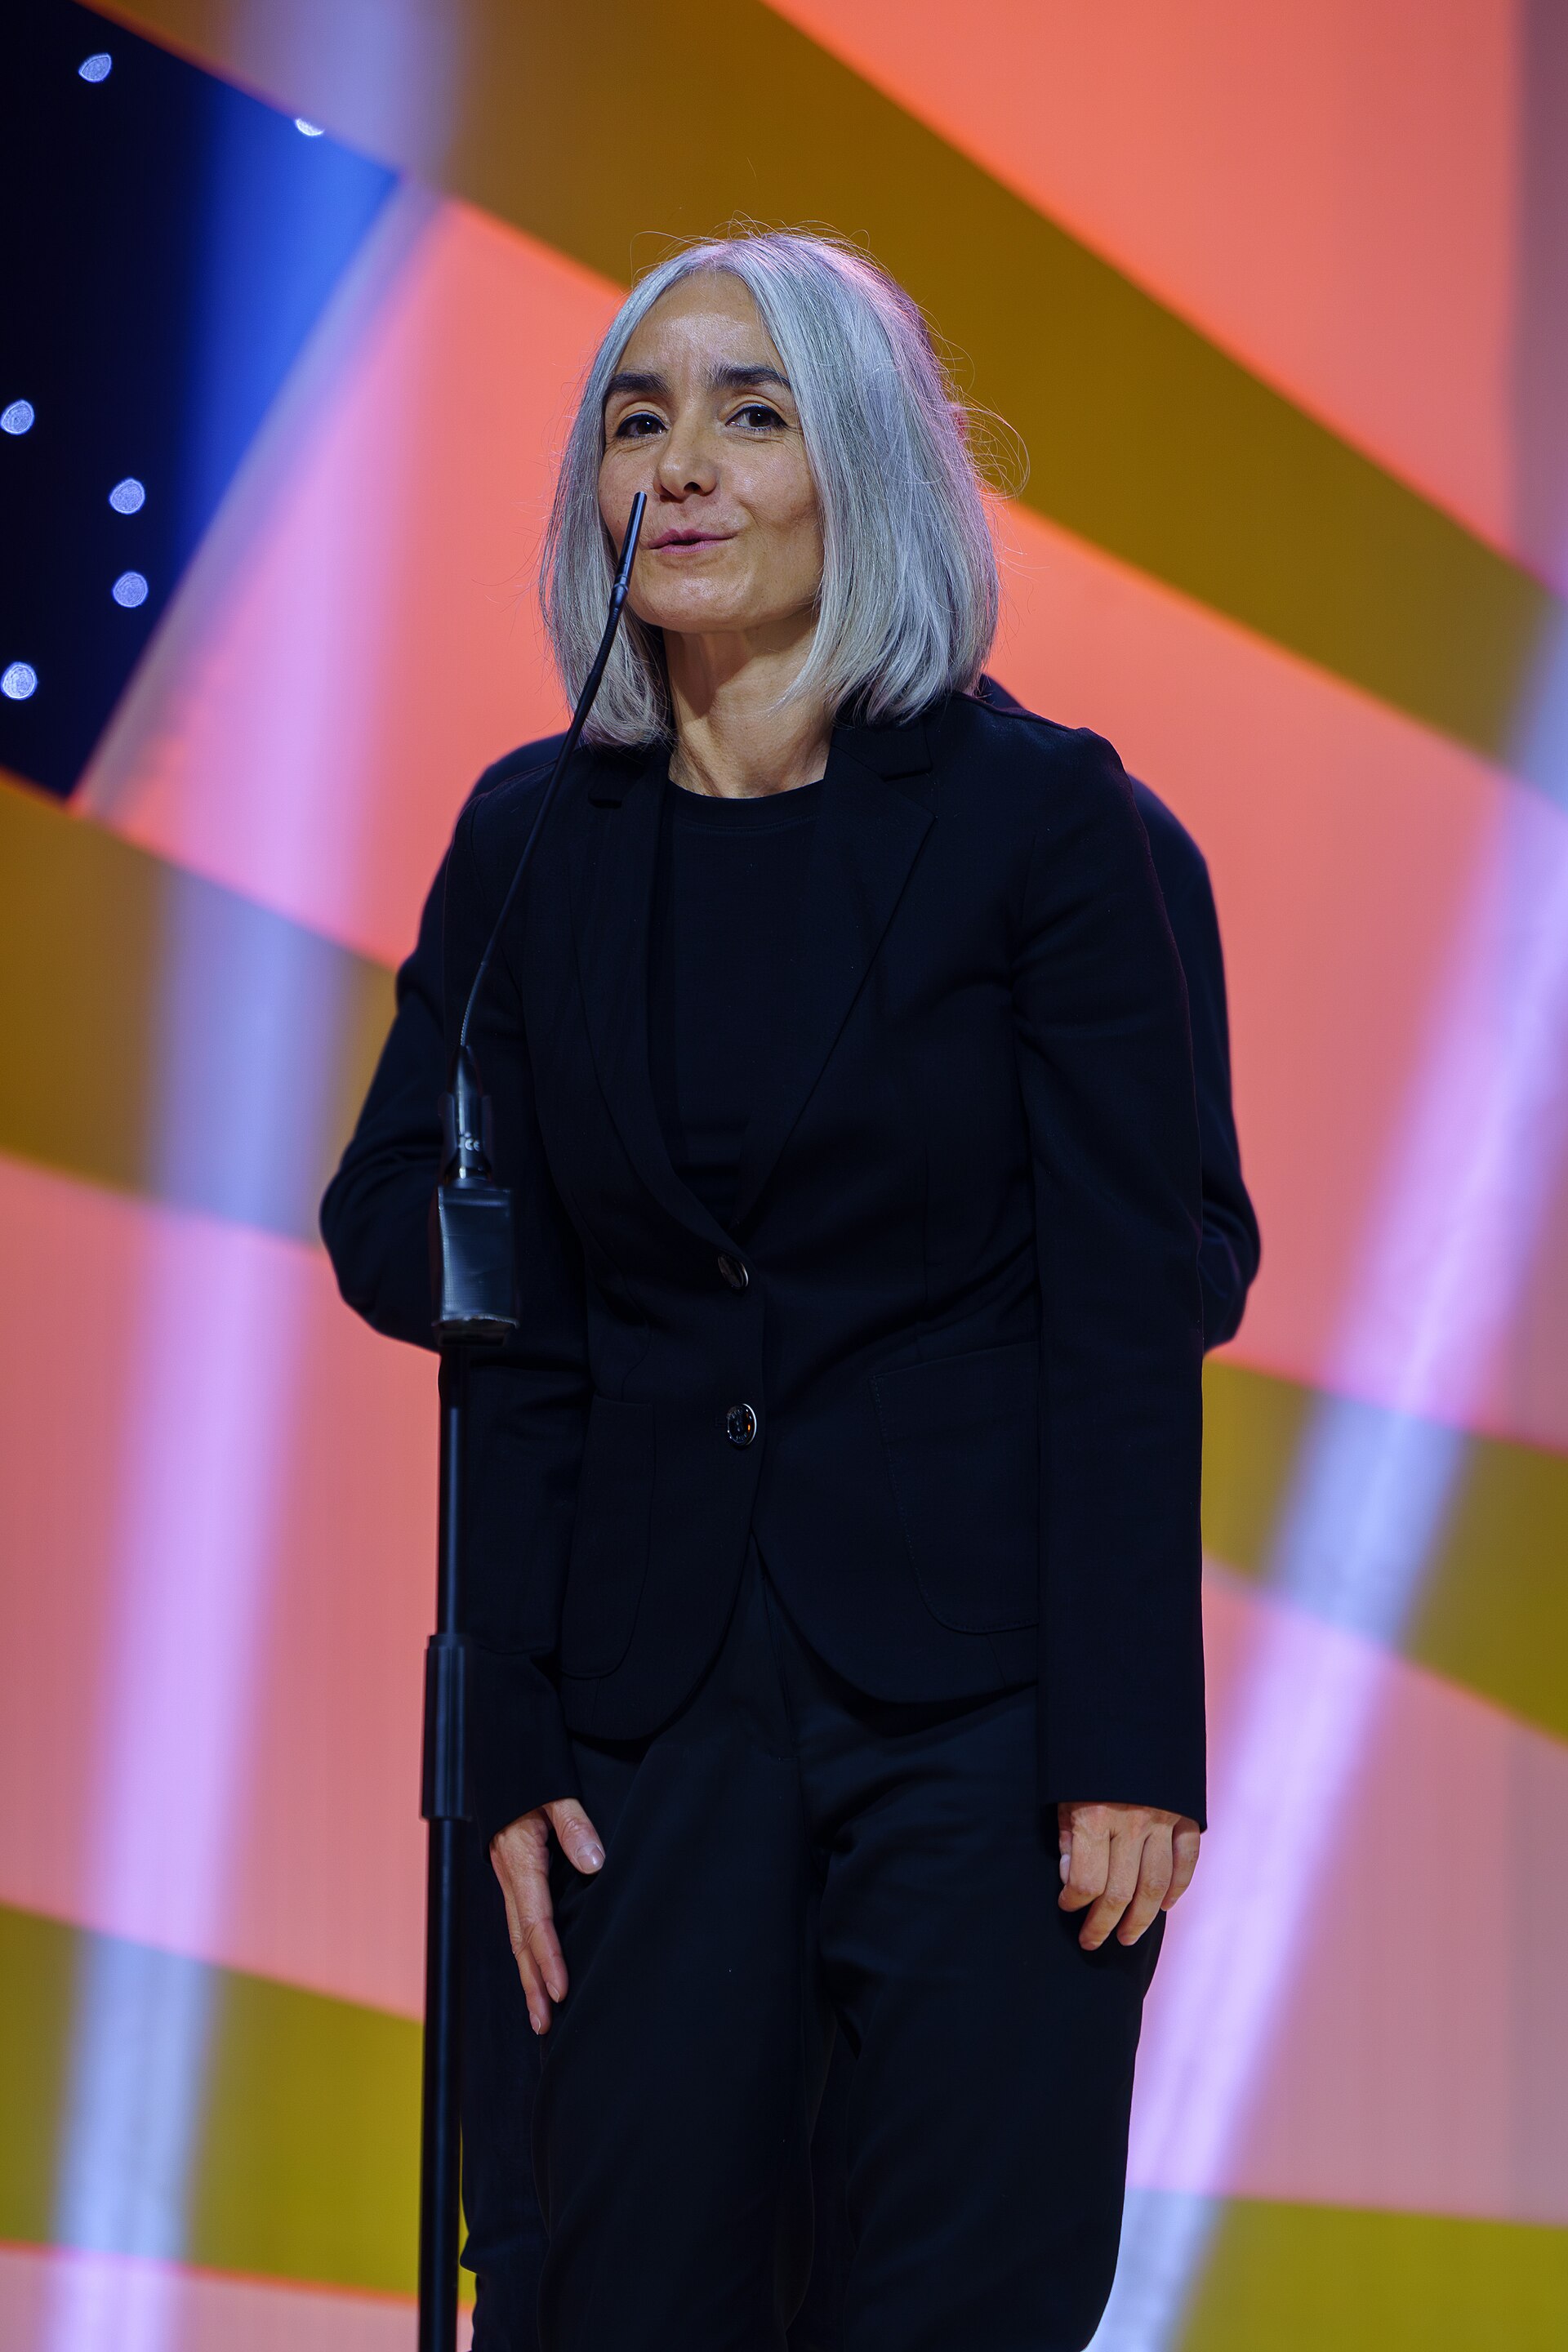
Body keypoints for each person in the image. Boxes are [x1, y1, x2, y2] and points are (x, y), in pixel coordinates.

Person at [324, 229, 1246, 2352]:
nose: (685, 463)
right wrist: (522, 1733)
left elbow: (1133, 1302)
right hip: (645, 1721)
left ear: (867, 475)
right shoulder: (539, 835)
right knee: (623, 2288)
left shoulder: (1043, 827)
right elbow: (412, 1236)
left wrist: (1130, 1740)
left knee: (949, 2301)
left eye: (754, 411)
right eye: (640, 418)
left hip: (985, 1718)